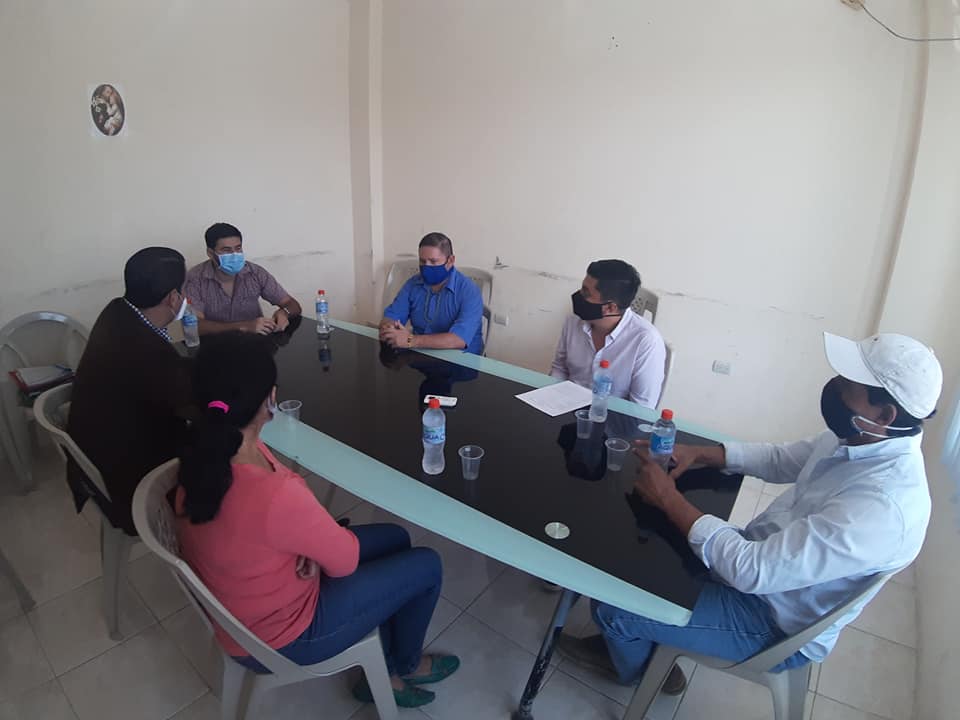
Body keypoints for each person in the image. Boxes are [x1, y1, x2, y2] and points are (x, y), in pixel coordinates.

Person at [559, 331, 942, 696]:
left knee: (612, 604)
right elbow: (780, 459)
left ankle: (637, 671)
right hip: (762, 568)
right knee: (644, 548)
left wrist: (668, 498)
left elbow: (752, 570)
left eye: (847, 386)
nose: (835, 387)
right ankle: (650, 637)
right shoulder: (857, 438)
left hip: (771, 620)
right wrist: (700, 453)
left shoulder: (883, 507)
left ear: (885, 414)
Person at [174, 332, 460, 708]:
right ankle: (402, 667)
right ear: (270, 399)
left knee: (395, 537)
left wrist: (305, 547)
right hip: (285, 637)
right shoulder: (274, 492)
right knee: (428, 564)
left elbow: (268, 526)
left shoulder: (202, 455)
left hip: (246, 605)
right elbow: (344, 563)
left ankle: (390, 659)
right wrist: (316, 551)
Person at [67, 247, 194, 534]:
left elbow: (165, 378)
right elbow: (191, 403)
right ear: (173, 297)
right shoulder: (145, 352)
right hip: (132, 484)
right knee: (224, 440)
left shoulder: (118, 312)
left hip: (105, 455)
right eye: (184, 290)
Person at [550, 260, 666, 408]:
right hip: (565, 407)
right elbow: (560, 368)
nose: (579, 296)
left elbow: (641, 408)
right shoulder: (573, 322)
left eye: (586, 293)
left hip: (610, 417)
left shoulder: (646, 341)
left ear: (610, 307)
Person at [183, 222, 302, 336]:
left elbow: (292, 304)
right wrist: (243, 326)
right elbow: (194, 325)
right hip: (213, 344)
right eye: (226, 250)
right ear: (210, 253)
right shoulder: (195, 279)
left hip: (254, 341)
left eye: (238, 248)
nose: (234, 254)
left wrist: (284, 313)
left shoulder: (255, 273)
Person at [379, 233, 484, 355]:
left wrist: (410, 340)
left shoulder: (469, 291)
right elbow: (392, 315)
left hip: (461, 359)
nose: (426, 267)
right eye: (422, 261)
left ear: (450, 260)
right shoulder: (413, 284)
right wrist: (389, 328)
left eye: (433, 261)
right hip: (420, 354)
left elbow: (458, 339)